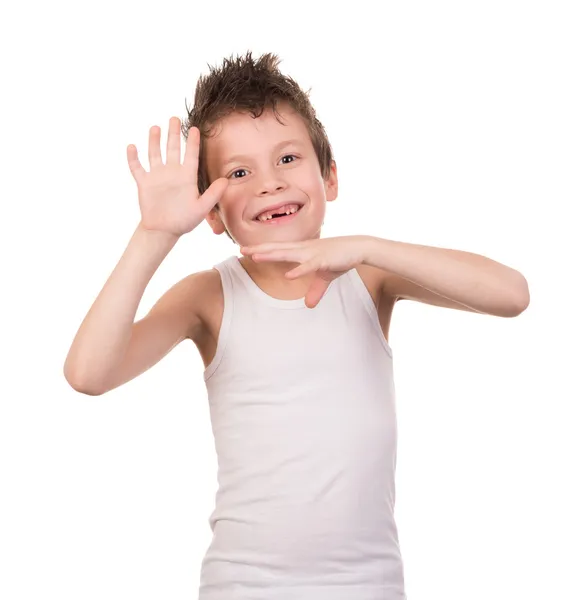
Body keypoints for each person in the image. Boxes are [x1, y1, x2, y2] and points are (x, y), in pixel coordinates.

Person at [63, 51, 530, 600]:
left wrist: (369, 247)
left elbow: (512, 295)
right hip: (243, 586)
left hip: (369, 586)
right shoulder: (209, 297)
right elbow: (88, 373)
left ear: (329, 177)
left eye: (287, 158)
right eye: (239, 172)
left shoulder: (369, 277)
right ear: (211, 212)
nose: (268, 183)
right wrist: (154, 235)